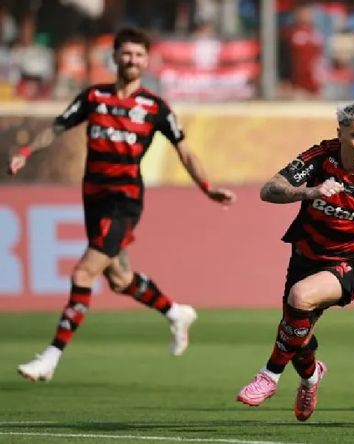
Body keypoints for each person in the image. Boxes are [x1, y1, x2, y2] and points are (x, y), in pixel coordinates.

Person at [6, 27, 236, 383]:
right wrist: (25, 151)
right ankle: (176, 312)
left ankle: (50, 358)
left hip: (124, 202)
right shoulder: (94, 97)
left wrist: (206, 187)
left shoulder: (155, 108)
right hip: (94, 199)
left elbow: (184, 150)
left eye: (138, 55)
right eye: (126, 53)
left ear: (146, 61)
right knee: (119, 279)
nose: (132, 60)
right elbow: (57, 128)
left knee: (83, 274)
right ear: (114, 57)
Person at [235, 102, 354, 422]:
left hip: (352, 265)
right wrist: (310, 193)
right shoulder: (320, 158)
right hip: (305, 259)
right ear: (340, 133)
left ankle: (268, 376)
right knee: (298, 336)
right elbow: (270, 190)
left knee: (299, 298)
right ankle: (311, 378)